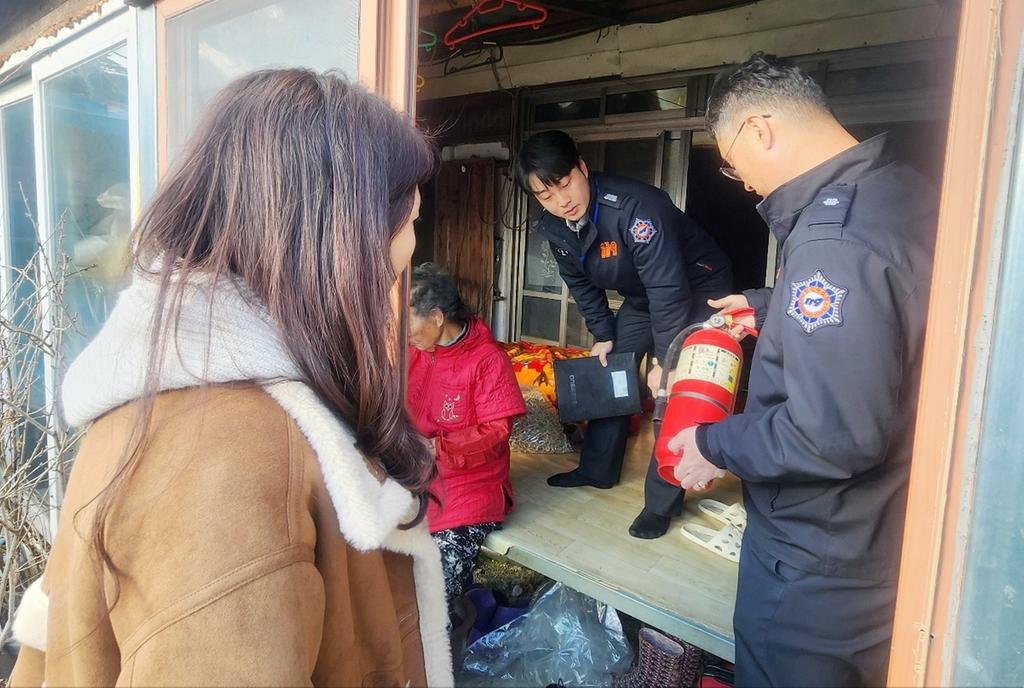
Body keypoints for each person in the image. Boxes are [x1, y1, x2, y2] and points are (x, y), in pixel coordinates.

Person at [9, 70, 453, 687]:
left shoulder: (205, 402)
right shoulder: (228, 461)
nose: (403, 258)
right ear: (332, 243)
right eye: (401, 229)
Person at [668, 53, 938, 686]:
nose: (740, 181)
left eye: (732, 163)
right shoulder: (901, 190)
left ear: (759, 130)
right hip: (881, 535)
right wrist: (772, 307)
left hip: (819, 559)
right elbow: (892, 311)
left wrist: (714, 443)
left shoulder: (829, 241)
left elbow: (833, 434)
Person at [515, 130, 733, 540]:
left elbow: (670, 293)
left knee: (676, 388)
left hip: (701, 290)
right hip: (644, 294)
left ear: (581, 167)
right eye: (545, 195)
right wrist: (603, 333)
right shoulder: (556, 226)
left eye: (564, 184)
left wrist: (666, 364)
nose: (561, 200)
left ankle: (662, 501)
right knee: (613, 370)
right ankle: (597, 469)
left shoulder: (637, 209)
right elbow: (581, 285)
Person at [407, 263, 526, 608]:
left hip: (468, 487)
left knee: (434, 590)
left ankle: (448, 638)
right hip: (416, 477)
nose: (403, 331)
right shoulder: (413, 350)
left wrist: (437, 446)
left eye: (410, 322)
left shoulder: (487, 360)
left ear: (437, 317)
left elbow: (496, 432)